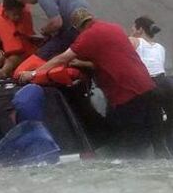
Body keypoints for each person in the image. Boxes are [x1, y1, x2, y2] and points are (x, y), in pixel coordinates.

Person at [18, 9, 169, 158]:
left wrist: (33, 73)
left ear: (78, 28)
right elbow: (110, 59)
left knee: (129, 152)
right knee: (159, 149)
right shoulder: (114, 28)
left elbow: (62, 58)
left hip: (128, 97)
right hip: (150, 89)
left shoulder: (88, 36)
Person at [0, 84, 60, 165]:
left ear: (21, 111)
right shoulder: (41, 130)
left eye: (13, 111)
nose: (10, 116)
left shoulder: (23, 131)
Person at [9, 0, 89, 60]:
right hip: (87, 21)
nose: (26, 3)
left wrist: (45, 30)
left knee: (42, 54)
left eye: (23, 0)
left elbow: (57, 23)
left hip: (76, 29)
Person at [129, 16, 173, 150]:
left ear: (140, 29)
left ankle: (160, 153)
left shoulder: (134, 41)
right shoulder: (160, 47)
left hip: (151, 84)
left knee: (156, 122)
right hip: (166, 83)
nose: (131, 30)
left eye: (133, 28)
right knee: (171, 119)